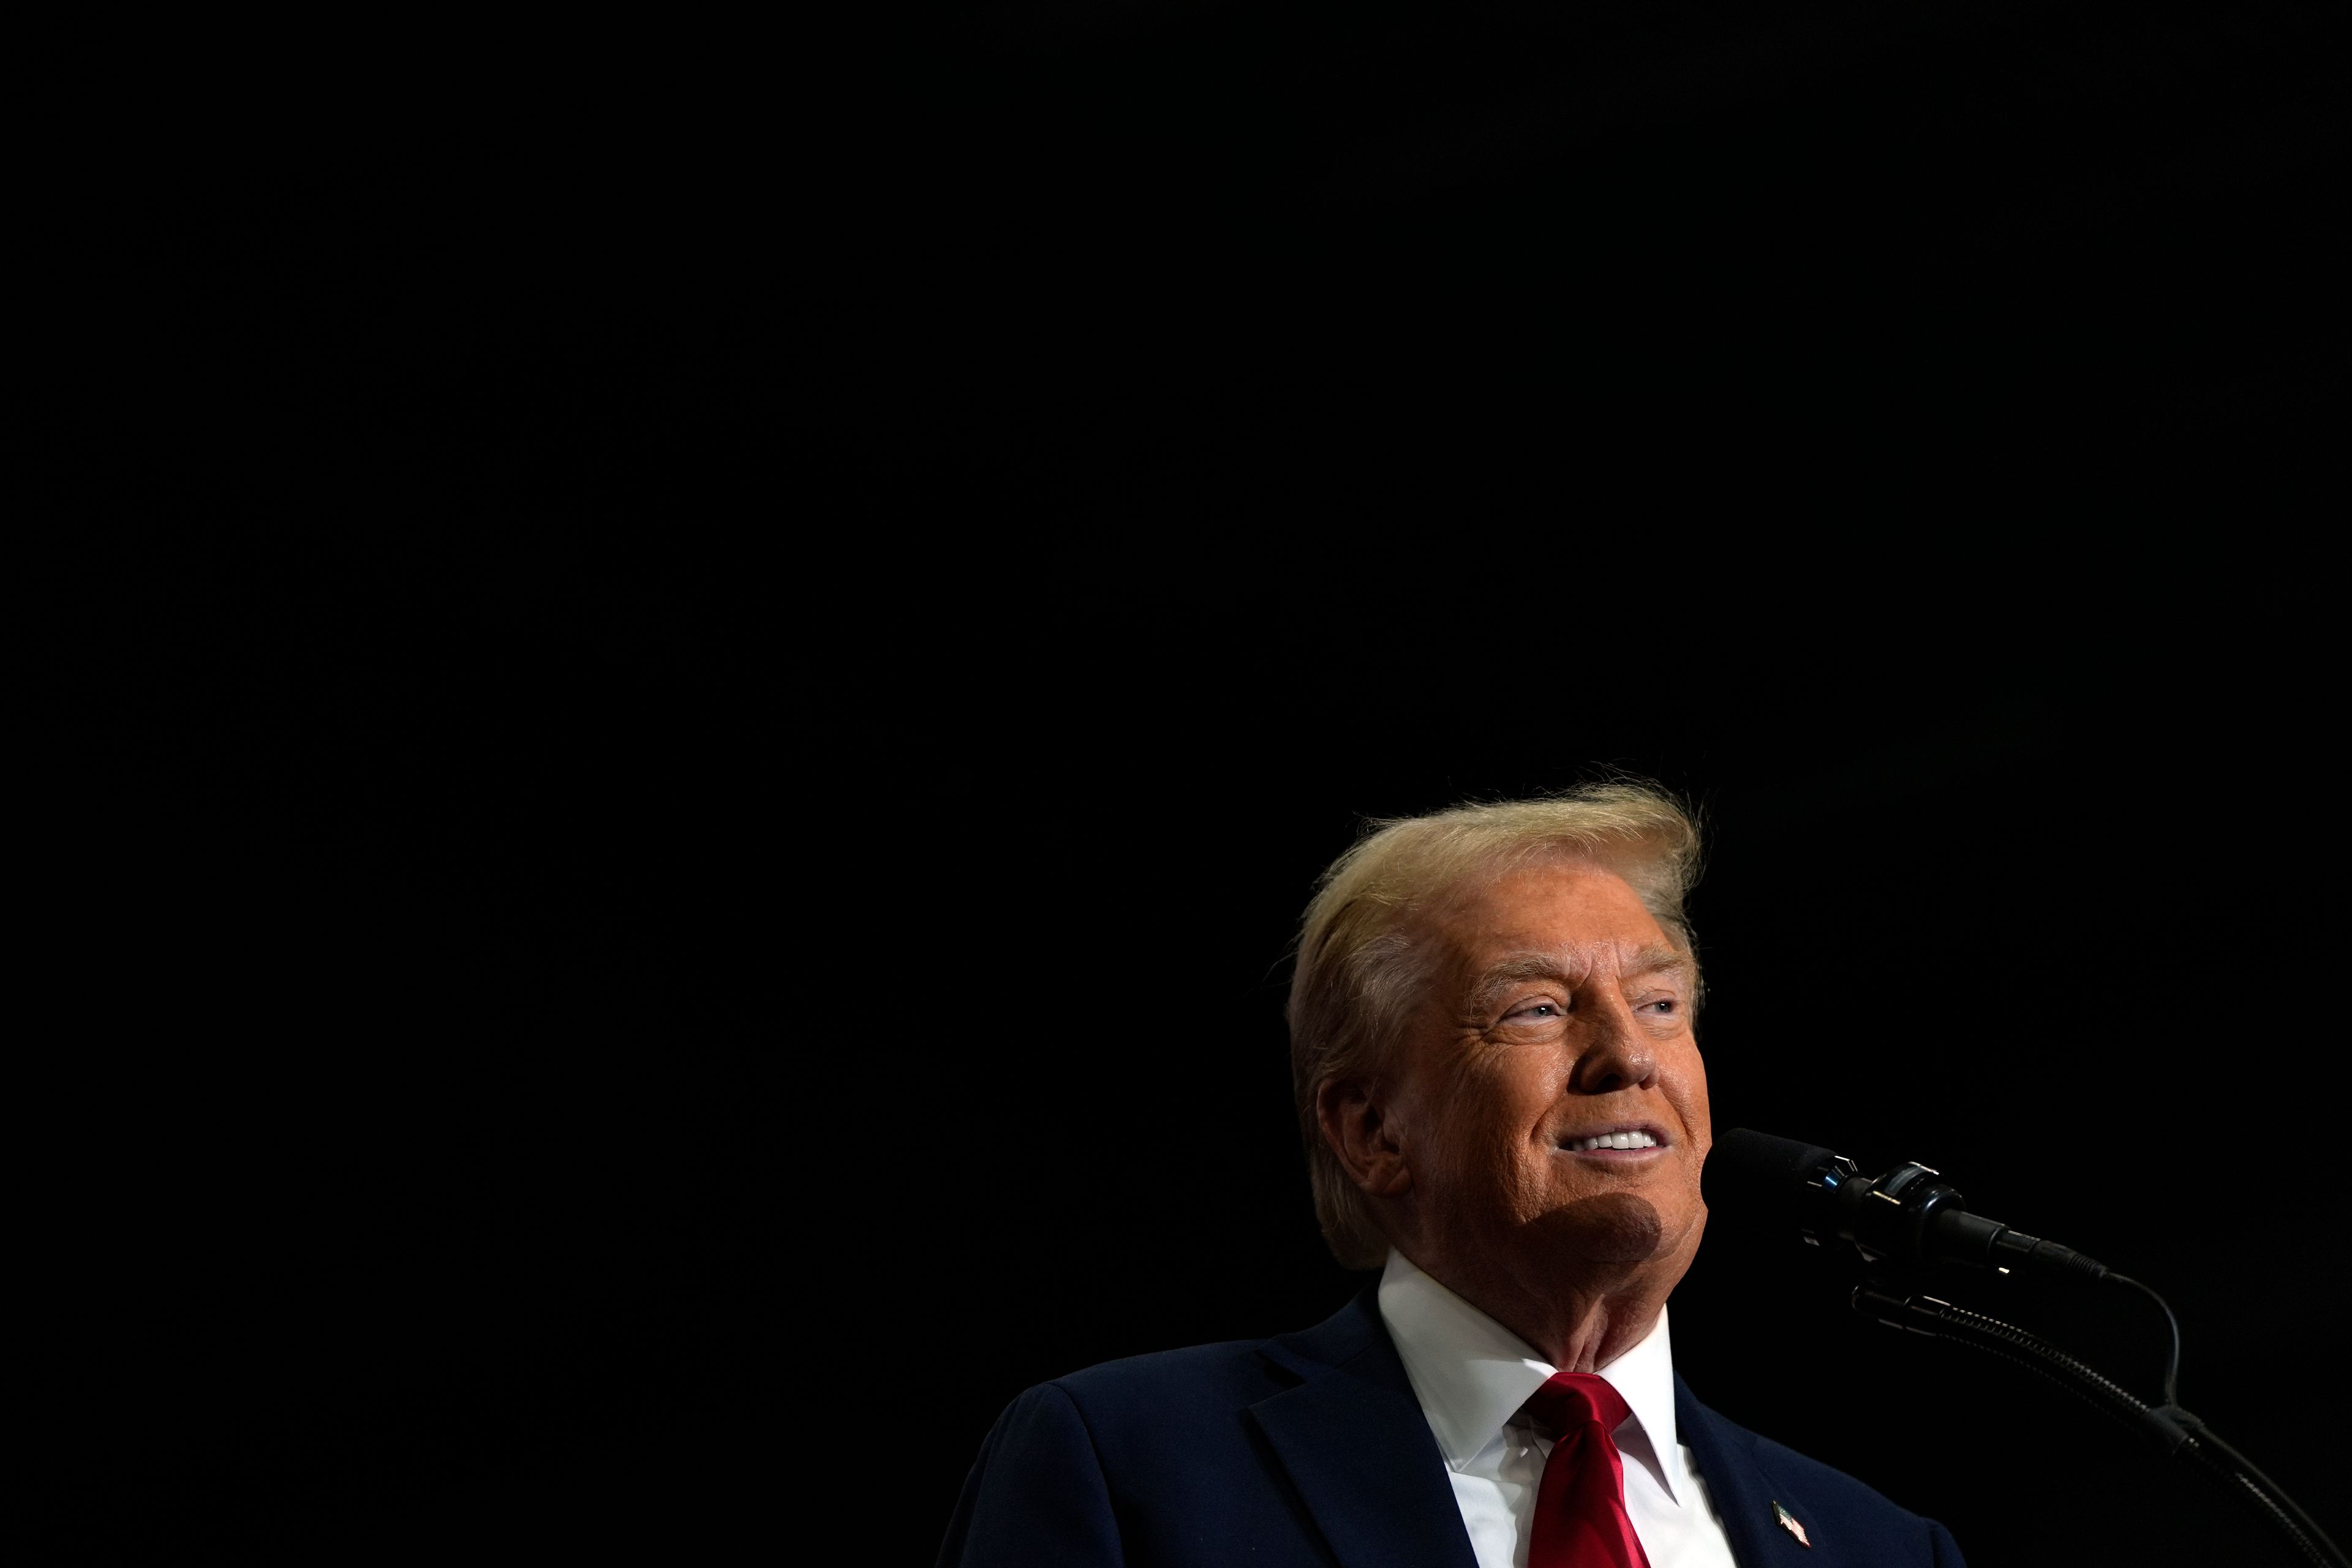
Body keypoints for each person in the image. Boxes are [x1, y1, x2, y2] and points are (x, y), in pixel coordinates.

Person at [938, 785, 1964, 1567]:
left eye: (1660, 1005)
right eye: (1537, 1010)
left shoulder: (1878, 1544)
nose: (1631, 1057)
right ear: (1374, 1129)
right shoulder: (1129, 1464)